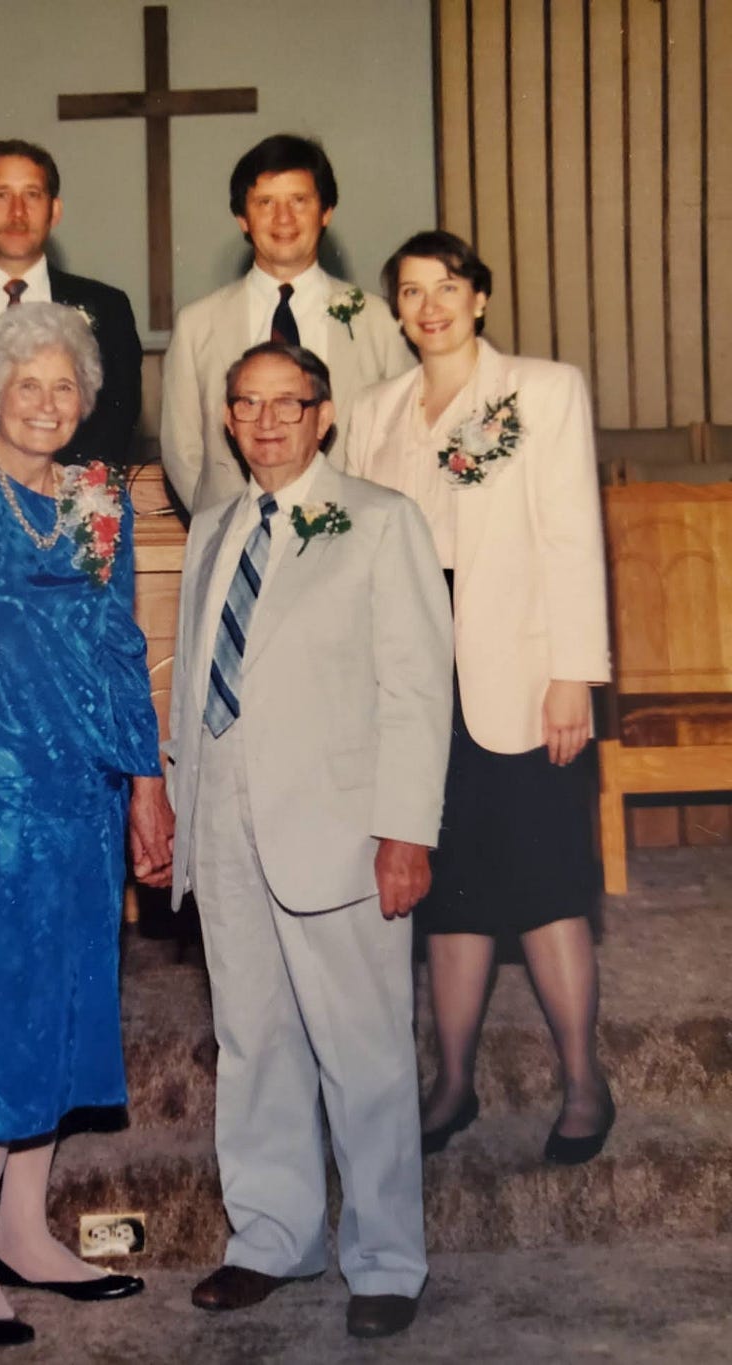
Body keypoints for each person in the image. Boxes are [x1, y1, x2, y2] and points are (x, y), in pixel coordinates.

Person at [166, 342, 453, 1339]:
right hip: (224, 819)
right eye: (246, 403)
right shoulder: (212, 527)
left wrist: (404, 831)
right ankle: (269, 1238)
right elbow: (192, 681)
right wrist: (176, 804)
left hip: (340, 828)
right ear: (229, 418)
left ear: (323, 415)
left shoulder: (381, 522)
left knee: (363, 1052)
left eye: (288, 403)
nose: (267, 420)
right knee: (253, 1043)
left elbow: (417, 690)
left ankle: (384, 1259)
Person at [0, 302, 174, 1349]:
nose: (49, 404)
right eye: (30, 386)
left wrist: (145, 784)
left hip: (84, 794)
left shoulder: (99, 499)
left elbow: (119, 646)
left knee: (67, 999)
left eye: (66, 387)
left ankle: (25, 1229)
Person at [340, 229, 614, 1164]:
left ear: (480, 297)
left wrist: (572, 671)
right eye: (411, 291)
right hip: (411, 672)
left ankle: (584, 1080)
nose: (431, 306)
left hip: (518, 670)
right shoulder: (373, 410)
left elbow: (573, 536)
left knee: (543, 883)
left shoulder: (542, 390)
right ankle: (451, 1081)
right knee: (446, 887)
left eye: (447, 286)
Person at [160, 133, 413, 514]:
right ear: (243, 219)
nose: (284, 218)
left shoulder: (378, 320)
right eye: (265, 203)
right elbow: (183, 451)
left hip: (351, 531)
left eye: (299, 200)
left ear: (326, 211)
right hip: (237, 534)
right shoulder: (197, 324)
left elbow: (401, 439)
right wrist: (224, 525)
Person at [0, 137, 142, 462]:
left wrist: (59, 493)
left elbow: (117, 422)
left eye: (32, 195)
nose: (18, 213)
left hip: (67, 501)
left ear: (55, 211)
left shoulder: (108, 307)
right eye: (1, 196)